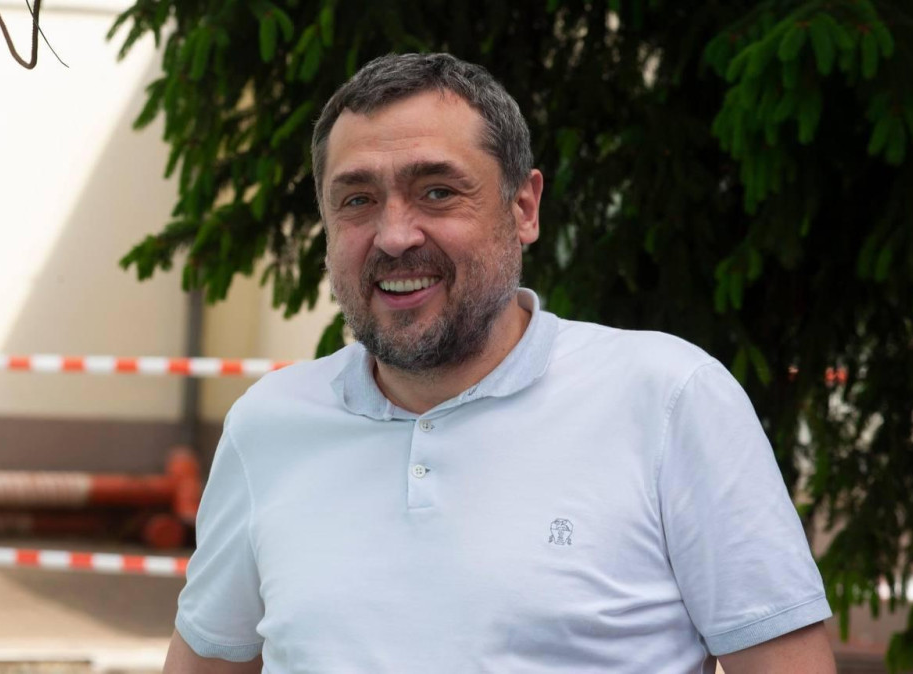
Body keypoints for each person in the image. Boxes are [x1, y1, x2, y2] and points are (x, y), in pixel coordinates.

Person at [164, 53, 836, 673]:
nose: (394, 236)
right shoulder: (268, 425)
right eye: (358, 200)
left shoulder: (668, 400)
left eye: (437, 191)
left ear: (524, 208)